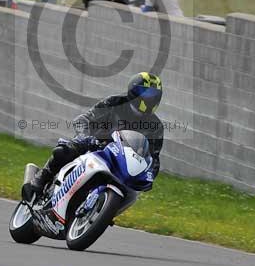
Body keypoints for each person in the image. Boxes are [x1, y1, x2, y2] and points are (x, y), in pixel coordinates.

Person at [23, 72, 164, 201]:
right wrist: (85, 136)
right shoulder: (114, 103)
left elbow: (154, 158)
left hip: (123, 163)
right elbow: (84, 119)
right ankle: (40, 179)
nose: (149, 98)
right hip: (95, 146)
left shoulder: (155, 126)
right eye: (145, 93)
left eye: (153, 95)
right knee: (66, 151)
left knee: (132, 194)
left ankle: (102, 210)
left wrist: (149, 173)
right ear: (133, 90)